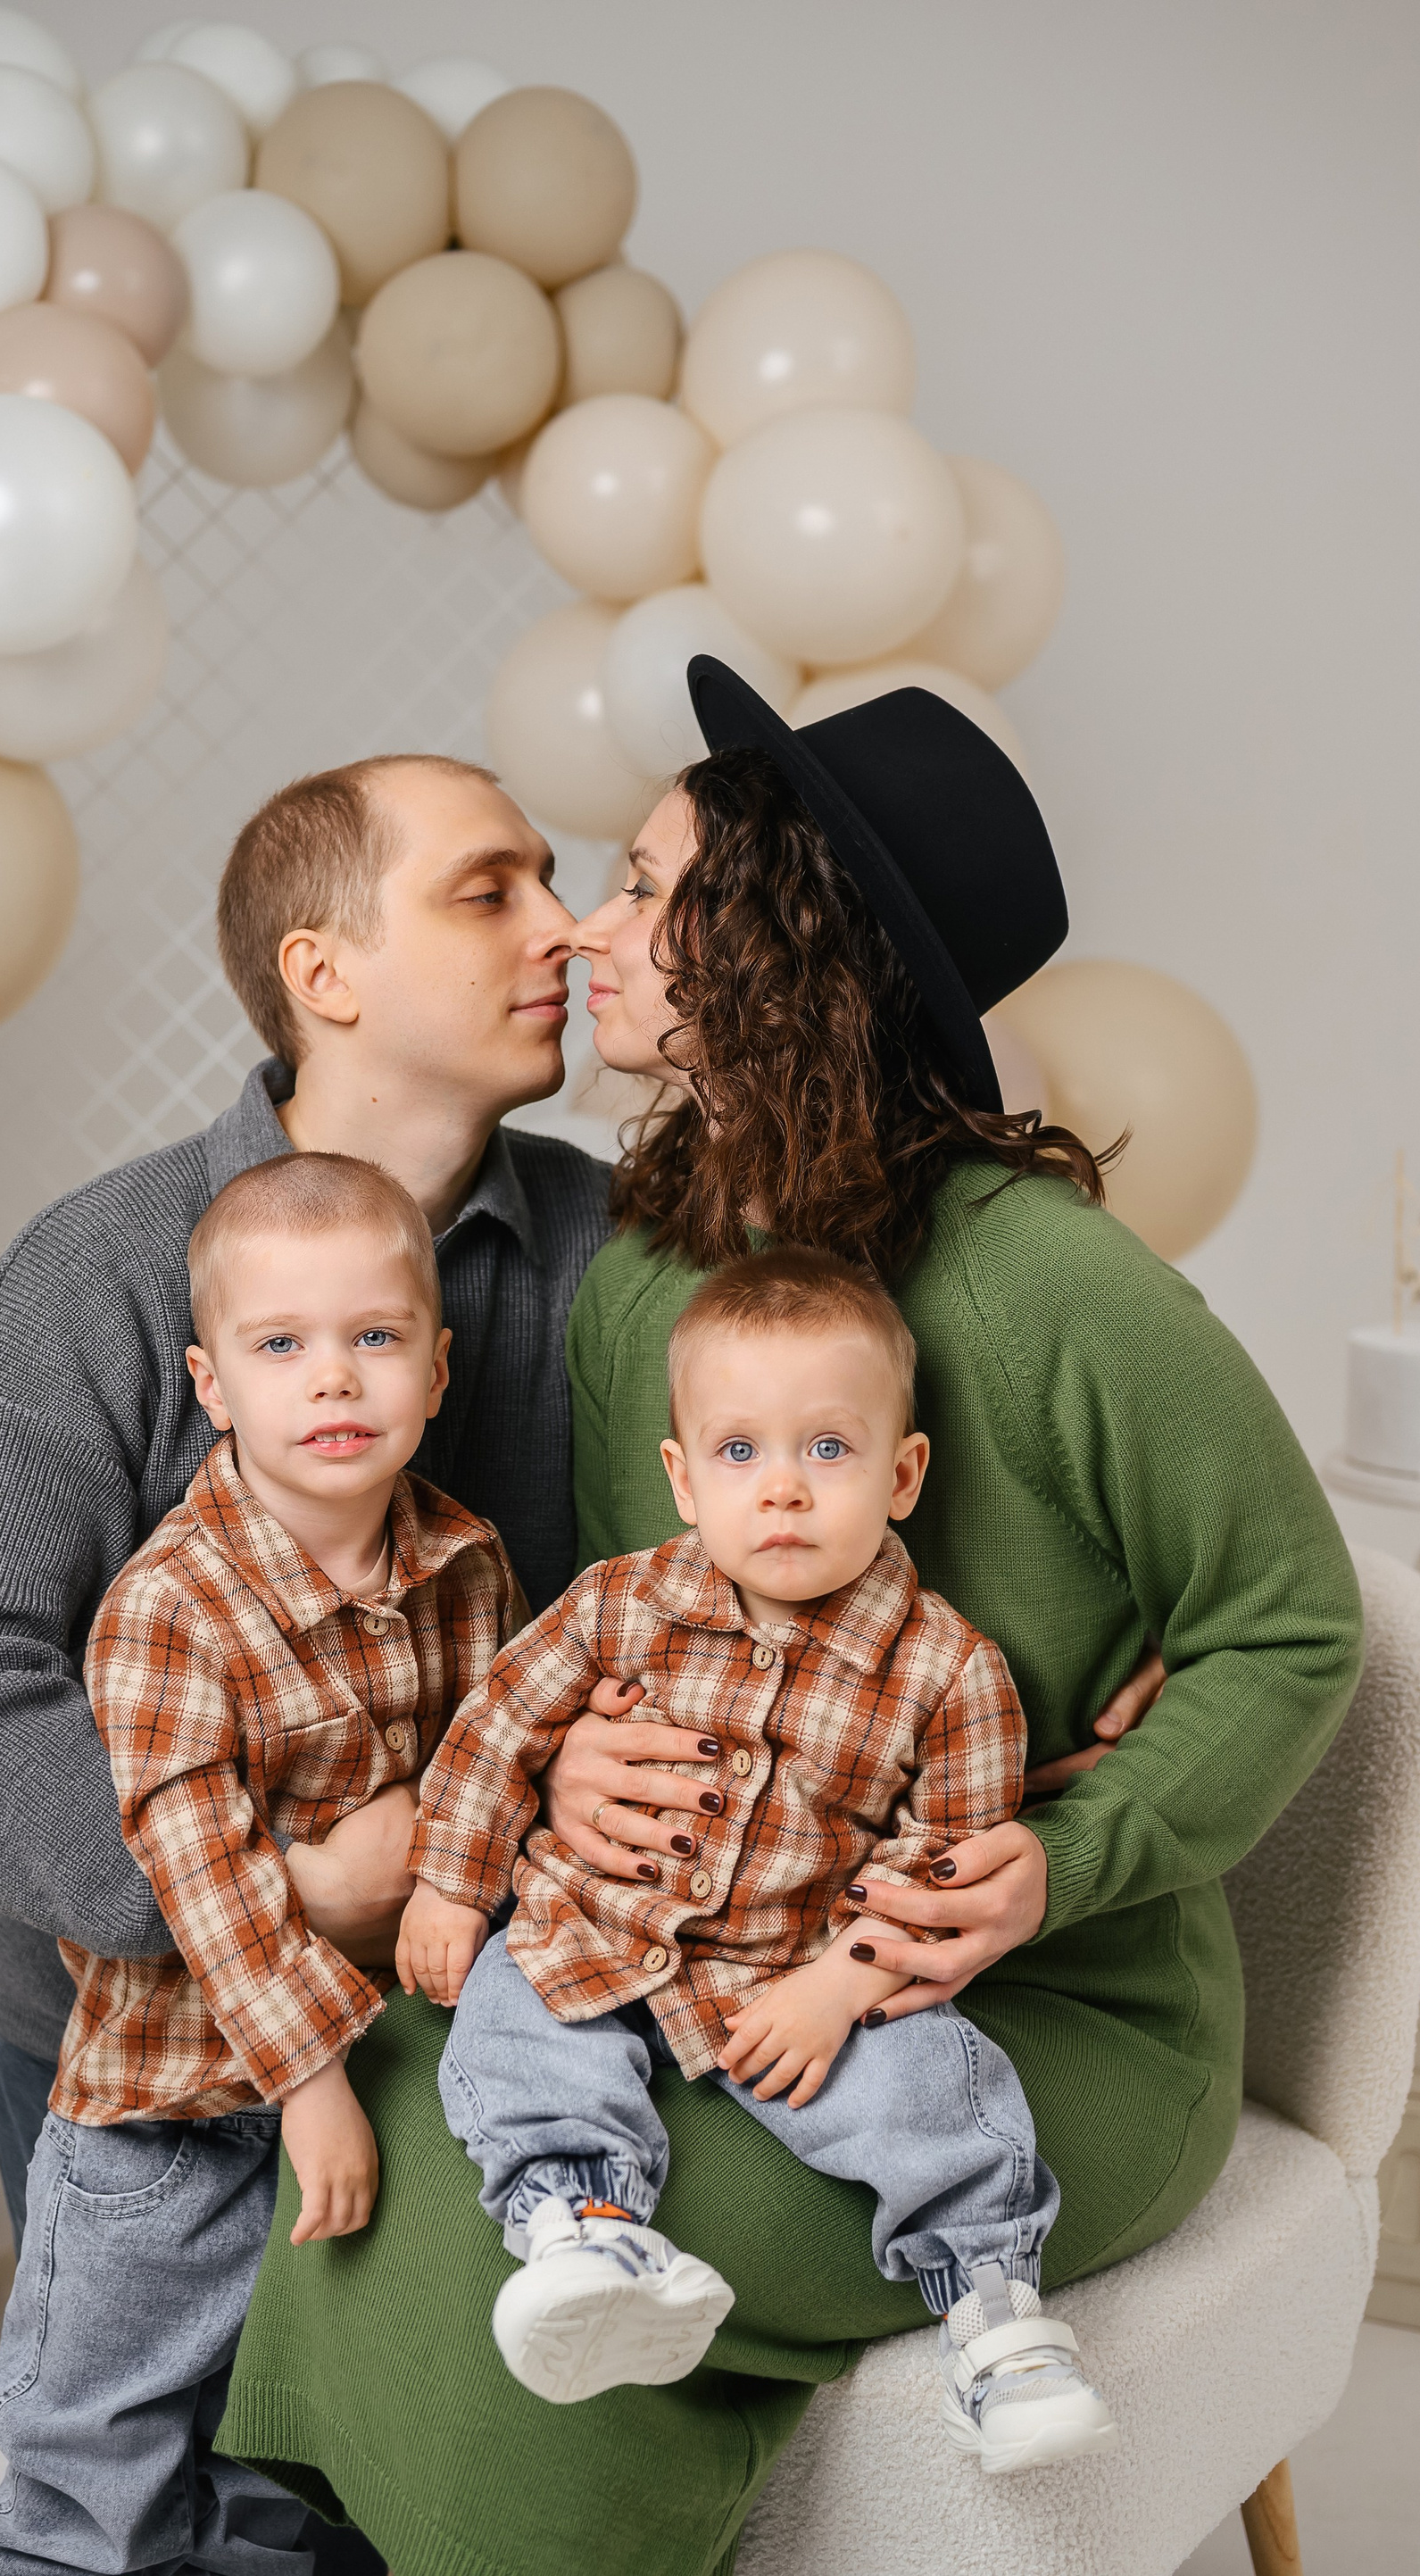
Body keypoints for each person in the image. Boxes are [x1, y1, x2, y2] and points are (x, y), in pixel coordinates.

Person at [215, 669, 1362, 2576]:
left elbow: (1293, 1625)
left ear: (779, 944)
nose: (587, 930)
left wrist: (1069, 1850)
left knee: (588, 2251)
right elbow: (634, 1623)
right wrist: (575, 1771)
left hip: (1036, 2009)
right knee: (419, 2102)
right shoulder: (642, 1277)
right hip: (710, 1939)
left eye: (646, 889)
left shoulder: (1054, 1285)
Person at [0, 752, 618, 2256]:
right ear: (323, 974)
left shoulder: (617, 1248)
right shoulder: (95, 1272)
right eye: (489, 892)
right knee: (143, 2417)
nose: (564, 927)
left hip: (482, 2021)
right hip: (144, 2068)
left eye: (553, 879)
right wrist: (284, 1898)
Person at [401, 1247, 1117, 2475]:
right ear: (683, 1478)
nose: (782, 1489)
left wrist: (844, 1983)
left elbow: (942, 1865)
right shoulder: (617, 1604)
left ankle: (998, 2320)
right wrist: (449, 1883)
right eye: (739, 1452)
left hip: (794, 1965)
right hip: (597, 1927)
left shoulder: (948, 1669)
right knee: (513, 2015)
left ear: (902, 1475)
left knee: (932, 2082)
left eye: (828, 1449)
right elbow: (497, 1728)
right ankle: (584, 2231)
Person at [0, 1153, 523, 2576]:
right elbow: (200, 1872)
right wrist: (311, 2081)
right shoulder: (171, 1607)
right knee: (94, 2476)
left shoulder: (466, 1563)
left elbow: (494, 1770)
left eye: (374, 1337)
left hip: (373, 2089)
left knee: (282, 2475)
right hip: (172, 2114)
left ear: (435, 1370)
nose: (333, 1378)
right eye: (282, 1346)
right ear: (213, 1386)